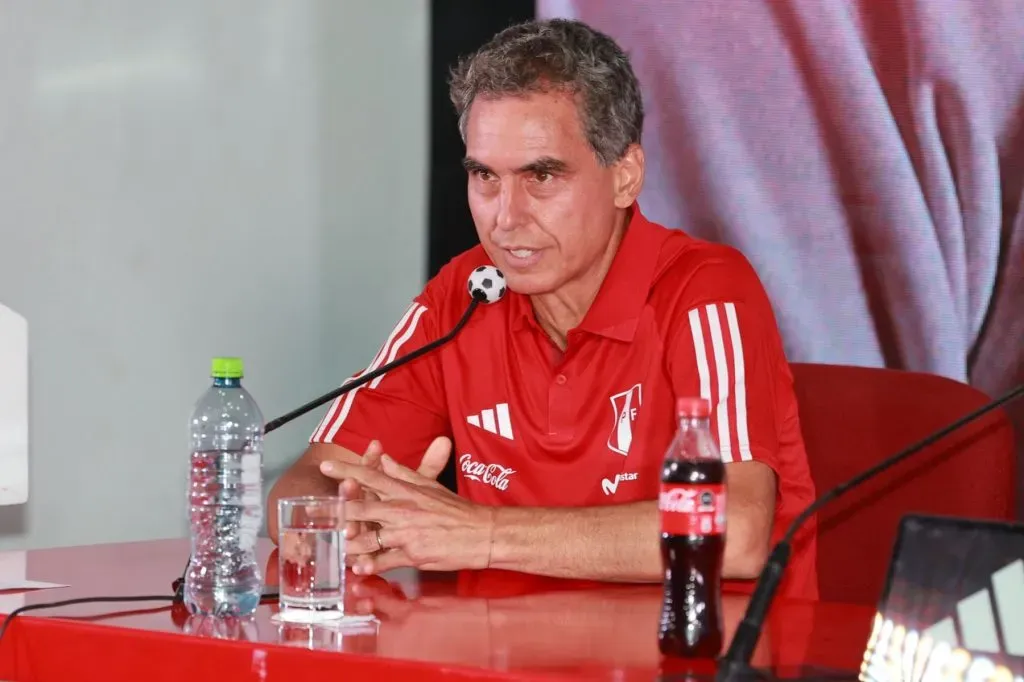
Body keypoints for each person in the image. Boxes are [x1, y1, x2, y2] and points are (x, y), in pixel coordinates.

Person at [268, 18, 818, 599]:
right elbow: (303, 489)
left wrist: (479, 534)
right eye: (485, 176)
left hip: (693, 657)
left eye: (542, 176)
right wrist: (346, 525)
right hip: (499, 658)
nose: (506, 217)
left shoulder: (704, 289)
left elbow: (737, 533)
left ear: (625, 177)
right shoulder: (466, 293)